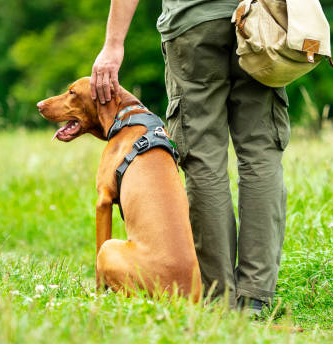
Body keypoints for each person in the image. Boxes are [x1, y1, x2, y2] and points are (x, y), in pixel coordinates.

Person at [91, 0, 290, 315]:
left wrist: (114, 45)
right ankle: (255, 298)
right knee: (261, 158)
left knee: (203, 162)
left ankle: (219, 298)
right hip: (260, 21)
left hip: (193, 23)